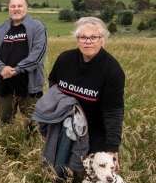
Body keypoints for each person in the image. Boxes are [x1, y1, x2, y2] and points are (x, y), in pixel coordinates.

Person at [48, 17, 124, 169]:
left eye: (94, 37)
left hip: (94, 130)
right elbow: (53, 83)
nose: (88, 41)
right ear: (77, 40)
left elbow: (113, 112)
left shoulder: (112, 70)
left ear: (103, 41)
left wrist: (112, 148)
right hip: (64, 122)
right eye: (83, 37)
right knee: (56, 166)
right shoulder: (65, 59)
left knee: (94, 172)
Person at [0, 0, 48, 124]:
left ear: (26, 7)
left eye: (20, 5)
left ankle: (30, 144)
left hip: (28, 86)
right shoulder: (0, 29)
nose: (16, 9)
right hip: (3, 85)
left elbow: (38, 55)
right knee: (6, 123)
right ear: (8, 8)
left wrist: (16, 70)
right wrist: (1, 68)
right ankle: (7, 144)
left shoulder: (37, 27)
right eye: (12, 6)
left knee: (33, 125)